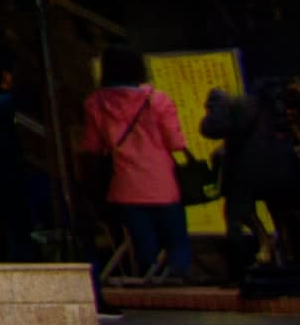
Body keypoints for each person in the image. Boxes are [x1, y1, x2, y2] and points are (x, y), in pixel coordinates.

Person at [80, 47, 194, 285]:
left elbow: (92, 146)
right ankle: (178, 273)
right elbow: (175, 142)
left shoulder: (95, 104)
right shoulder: (157, 100)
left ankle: (150, 275)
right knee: (176, 238)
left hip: (125, 182)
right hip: (162, 181)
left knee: (143, 240)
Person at [211, 82, 299, 293]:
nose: (289, 111)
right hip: (279, 176)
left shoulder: (250, 113)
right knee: (282, 215)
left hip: (268, 176)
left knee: (279, 214)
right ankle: (280, 254)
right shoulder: (272, 118)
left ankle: (272, 251)